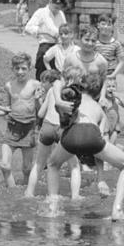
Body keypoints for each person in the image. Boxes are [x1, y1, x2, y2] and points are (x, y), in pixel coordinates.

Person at [45, 72, 124, 222]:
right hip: (92, 135)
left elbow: (56, 83)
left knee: (53, 165)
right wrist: (100, 178)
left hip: (70, 137)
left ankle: (53, 208)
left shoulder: (72, 98)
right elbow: (101, 143)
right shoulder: (99, 109)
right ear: (99, 91)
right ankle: (117, 210)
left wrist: (58, 101)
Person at [24, 68, 82, 200]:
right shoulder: (74, 93)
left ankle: (29, 193)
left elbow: (40, 114)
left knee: (39, 164)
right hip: (63, 129)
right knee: (74, 165)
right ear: (74, 80)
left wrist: (39, 101)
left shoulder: (52, 90)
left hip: (47, 127)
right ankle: (75, 196)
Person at [0, 53, 42, 188]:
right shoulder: (9, 85)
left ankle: (24, 190)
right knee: (5, 165)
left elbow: (41, 110)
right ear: (12, 69)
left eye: (23, 68)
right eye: (17, 68)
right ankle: (12, 191)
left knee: (27, 169)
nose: (20, 72)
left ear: (29, 68)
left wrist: (36, 100)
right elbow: (8, 107)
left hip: (28, 128)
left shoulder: (35, 85)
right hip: (12, 127)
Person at [24, 0, 68, 79]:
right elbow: (28, 28)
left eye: (59, 8)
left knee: (57, 75)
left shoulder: (61, 14)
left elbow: (65, 28)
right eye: (55, 7)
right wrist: (44, 31)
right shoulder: (41, 12)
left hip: (59, 47)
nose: (57, 10)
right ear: (50, 2)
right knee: (43, 75)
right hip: (45, 46)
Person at [62, 24, 109, 90]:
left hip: (93, 97)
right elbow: (63, 78)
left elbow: (104, 81)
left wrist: (102, 97)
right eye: (87, 40)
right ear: (80, 38)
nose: (90, 43)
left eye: (93, 41)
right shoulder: (70, 59)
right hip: (73, 96)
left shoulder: (101, 62)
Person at [99, 76, 124, 146]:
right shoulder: (103, 100)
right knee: (106, 145)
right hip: (105, 127)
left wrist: (119, 97)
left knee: (112, 144)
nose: (111, 88)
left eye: (113, 86)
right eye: (108, 87)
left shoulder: (116, 100)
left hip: (115, 126)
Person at [96, 15, 124, 80]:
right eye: (103, 24)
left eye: (109, 25)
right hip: (95, 74)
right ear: (98, 25)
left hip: (110, 75)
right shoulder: (93, 43)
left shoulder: (116, 44)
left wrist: (113, 74)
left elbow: (121, 61)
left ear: (112, 27)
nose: (106, 27)